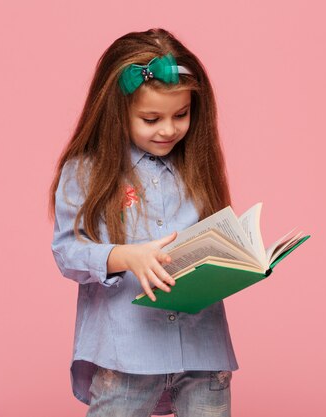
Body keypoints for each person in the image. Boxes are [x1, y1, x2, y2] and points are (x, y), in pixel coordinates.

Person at [48, 28, 237, 417]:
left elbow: (211, 241)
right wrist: (125, 256)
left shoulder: (196, 168)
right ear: (118, 113)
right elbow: (67, 252)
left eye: (181, 115)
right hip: (127, 354)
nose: (168, 129)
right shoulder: (86, 172)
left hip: (203, 349)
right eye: (151, 118)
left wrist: (237, 261)